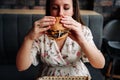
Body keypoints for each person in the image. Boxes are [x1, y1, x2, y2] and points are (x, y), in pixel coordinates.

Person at [16, 0, 105, 80]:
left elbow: (100, 64)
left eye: (66, 8)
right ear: (49, 10)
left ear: (73, 10)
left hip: (78, 76)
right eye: (55, 8)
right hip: (48, 77)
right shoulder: (39, 33)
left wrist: (82, 40)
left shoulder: (83, 31)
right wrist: (28, 38)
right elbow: (21, 67)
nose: (60, 13)